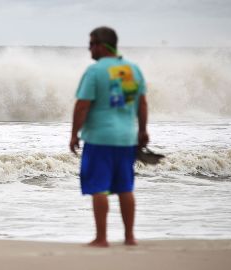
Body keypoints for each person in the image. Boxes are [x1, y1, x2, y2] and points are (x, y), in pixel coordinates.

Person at [70, 26, 149, 247]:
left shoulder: (95, 71)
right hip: (126, 139)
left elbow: (82, 106)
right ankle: (129, 237)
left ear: (102, 45)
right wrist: (142, 131)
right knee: (125, 187)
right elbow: (142, 104)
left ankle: (101, 238)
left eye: (92, 44)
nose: (89, 49)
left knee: (99, 187)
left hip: (99, 139)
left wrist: (74, 135)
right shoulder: (132, 69)